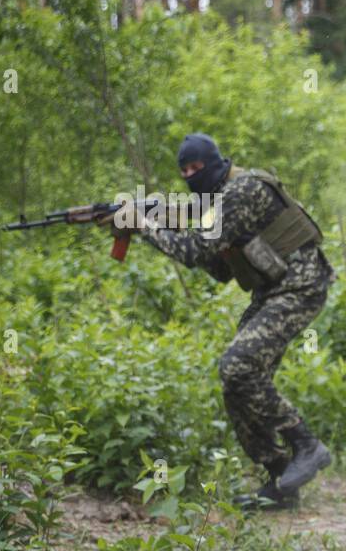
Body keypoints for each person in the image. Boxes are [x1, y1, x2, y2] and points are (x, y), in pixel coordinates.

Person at [107, 133, 334, 509]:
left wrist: (144, 225)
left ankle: (306, 445)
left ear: (217, 162)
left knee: (238, 365)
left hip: (301, 285)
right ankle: (279, 480)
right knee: (236, 383)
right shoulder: (217, 201)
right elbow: (219, 270)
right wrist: (159, 224)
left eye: (197, 167)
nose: (192, 176)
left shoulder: (240, 191)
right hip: (271, 291)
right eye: (185, 171)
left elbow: (195, 252)